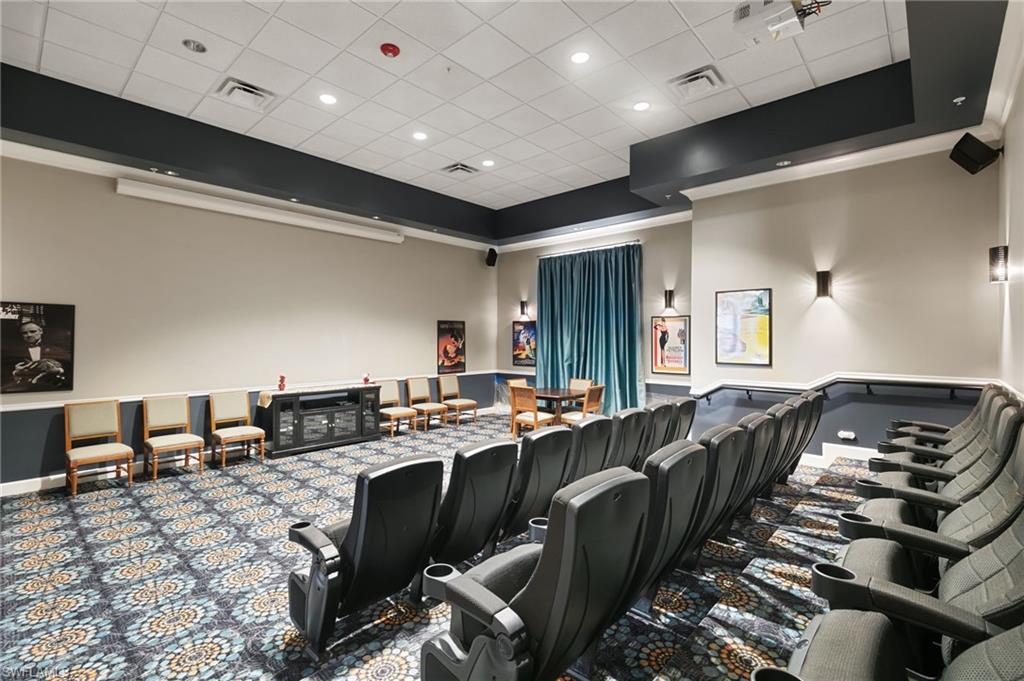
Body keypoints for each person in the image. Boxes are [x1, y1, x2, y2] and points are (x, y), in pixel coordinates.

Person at [4, 318, 69, 391]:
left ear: (41, 331)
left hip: (52, 388)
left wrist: (57, 370)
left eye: (33, 331)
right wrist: (15, 372)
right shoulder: (13, 352)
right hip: (23, 389)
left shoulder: (56, 349)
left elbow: (69, 369)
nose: (29, 335)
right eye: (24, 333)